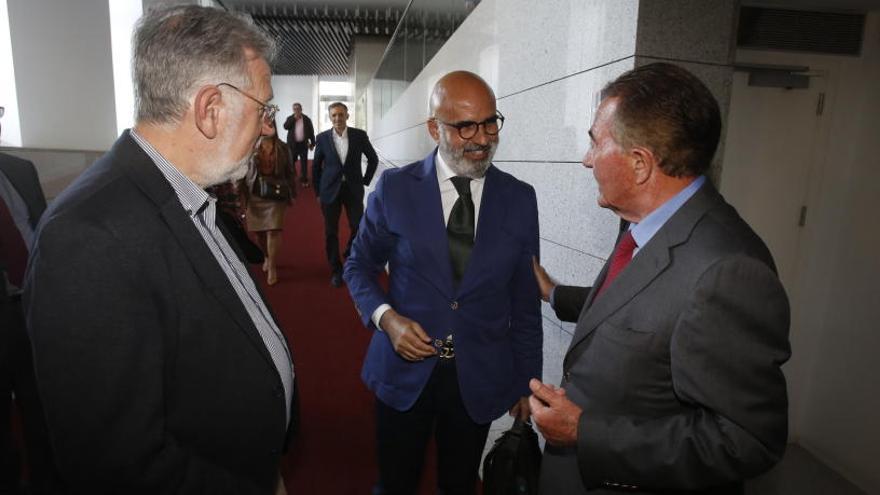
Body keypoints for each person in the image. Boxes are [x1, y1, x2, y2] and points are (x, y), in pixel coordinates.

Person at [23, 6, 295, 493]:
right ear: (211, 108)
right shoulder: (89, 238)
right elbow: (116, 466)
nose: (267, 128)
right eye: (264, 109)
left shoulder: (188, 191)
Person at [529, 63, 791, 494]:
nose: (586, 158)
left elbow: (747, 441)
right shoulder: (645, 223)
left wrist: (585, 432)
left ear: (639, 164)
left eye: (595, 142)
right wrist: (552, 292)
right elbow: (638, 308)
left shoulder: (729, 270)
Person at [344, 71, 542, 495]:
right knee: (396, 482)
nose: (483, 138)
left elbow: (525, 301)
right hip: (403, 372)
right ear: (435, 128)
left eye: (491, 122)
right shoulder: (395, 189)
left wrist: (528, 380)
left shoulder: (520, 199)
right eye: (466, 126)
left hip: (478, 375)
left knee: (460, 484)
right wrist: (387, 320)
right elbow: (358, 265)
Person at [0, 107, 61, 495]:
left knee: (44, 410)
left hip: (33, 311)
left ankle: (50, 482)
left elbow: (42, 237)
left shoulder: (21, 170)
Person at [312, 101, 378, 288]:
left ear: (347, 116)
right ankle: (336, 269)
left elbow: (373, 159)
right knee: (330, 232)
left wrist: (364, 180)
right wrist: (317, 192)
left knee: (358, 226)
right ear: (330, 117)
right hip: (329, 191)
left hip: (353, 189)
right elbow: (316, 167)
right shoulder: (322, 138)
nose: (338, 118)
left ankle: (350, 255)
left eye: (341, 114)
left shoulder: (359, 136)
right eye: (334, 115)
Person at [245, 119, 295, 286]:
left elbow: (290, 171)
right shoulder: (250, 145)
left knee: (273, 230)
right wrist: (240, 194)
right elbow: (242, 170)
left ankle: (272, 266)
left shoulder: (282, 147)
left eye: (270, 124)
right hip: (255, 193)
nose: (267, 127)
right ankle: (266, 255)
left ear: (274, 126)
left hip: (276, 193)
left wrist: (292, 193)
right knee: (259, 233)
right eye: (263, 124)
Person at [282, 103, 315, 187]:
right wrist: (294, 119)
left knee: (304, 163)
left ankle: (304, 180)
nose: (296, 110)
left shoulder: (306, 119)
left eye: (298, 108)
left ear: (301, 109)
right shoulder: (290, 118)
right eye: (294, 109)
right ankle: (291, 179)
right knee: (291, 162)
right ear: (293, 110)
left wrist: (312, 143)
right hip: (292, 145)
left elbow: (311, 132)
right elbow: (285, 127)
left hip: (303, 145)